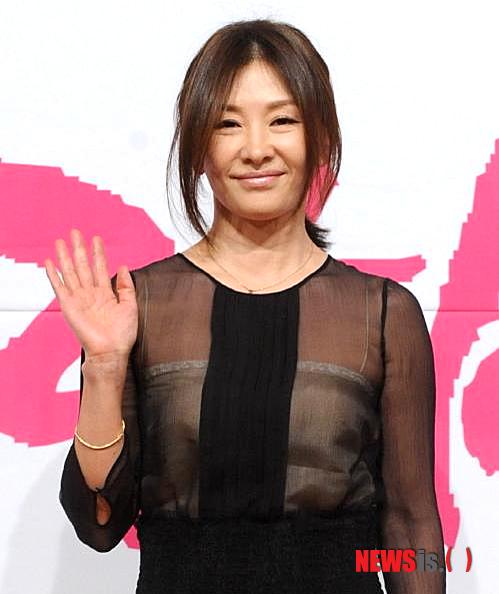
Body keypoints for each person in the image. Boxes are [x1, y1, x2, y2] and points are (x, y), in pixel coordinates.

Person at [45, 18, 446, 594]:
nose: (257, 149)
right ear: (197, 149)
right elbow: (99, 524)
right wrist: (104, 368)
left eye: (282, 120)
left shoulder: (382, 314)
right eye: (227, 124)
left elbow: (411, 525)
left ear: (320, 137)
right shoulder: (136, 307)